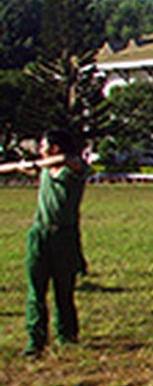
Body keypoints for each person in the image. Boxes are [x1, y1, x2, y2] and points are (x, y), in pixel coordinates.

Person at [0, 130, 87, 357]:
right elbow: (13, 168)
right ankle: (35, 340)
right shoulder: (45, 169)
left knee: (64, 291)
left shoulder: (74, 169)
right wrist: (15, 167)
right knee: (36, 291)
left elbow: (67, 160)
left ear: (55, 147)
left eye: (43, 145)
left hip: (65, 237)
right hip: (40, 234)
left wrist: (37, 164)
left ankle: (66, 336)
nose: (40, 149)